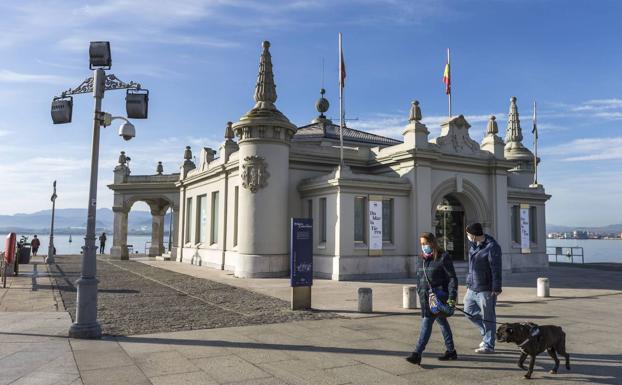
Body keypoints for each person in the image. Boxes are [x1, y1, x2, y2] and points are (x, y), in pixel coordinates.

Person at [406, 232, 458, 365]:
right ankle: (451, 351)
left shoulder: (443, 257)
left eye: (425, 243)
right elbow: (419, 278)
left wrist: (452, 297)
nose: (423, 246)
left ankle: (417, 353)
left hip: (438, 299)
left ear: (432, 243)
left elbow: (452, 278)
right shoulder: (422, 259)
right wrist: (419, 290)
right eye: (421, 244)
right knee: (442, 322)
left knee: (426, 323)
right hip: (425, 298)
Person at [463, 222, 502, 354]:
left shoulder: (492, 247)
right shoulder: (473, 245)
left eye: (468, 234)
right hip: (472, 287)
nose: (467, 236)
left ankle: (489, 345)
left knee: (488, 316)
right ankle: (487, 333)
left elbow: (496, 269)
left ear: (474, 235)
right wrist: (468, 281)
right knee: (468, 311)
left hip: (486, 288)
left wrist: (496, 287)